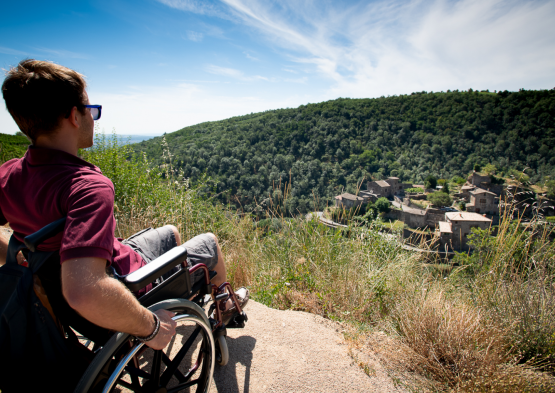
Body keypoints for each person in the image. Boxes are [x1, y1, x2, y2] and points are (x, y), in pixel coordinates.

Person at [0, 59, 248, 351]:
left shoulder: (8, 174)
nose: (94, 118)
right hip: (128, 285)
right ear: (73, 116)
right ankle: (224, 312)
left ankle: (187, 303)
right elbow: (83, 290)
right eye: (91, 110)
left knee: (170, 232)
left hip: (76, 289)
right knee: (210, 243)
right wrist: (150, 326)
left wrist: (25, 266)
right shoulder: (86, 188)